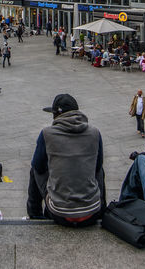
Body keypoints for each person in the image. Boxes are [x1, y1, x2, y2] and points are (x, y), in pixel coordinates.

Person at [26, 93, 105, 226]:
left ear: (56, 115)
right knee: (99, 170)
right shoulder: (95, 133)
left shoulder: (46, 134)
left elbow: (38, 167)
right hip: (91, 212)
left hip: (59, 213)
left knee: (35, 168)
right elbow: (97, 167)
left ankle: (35, 214)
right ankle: (102, 208)